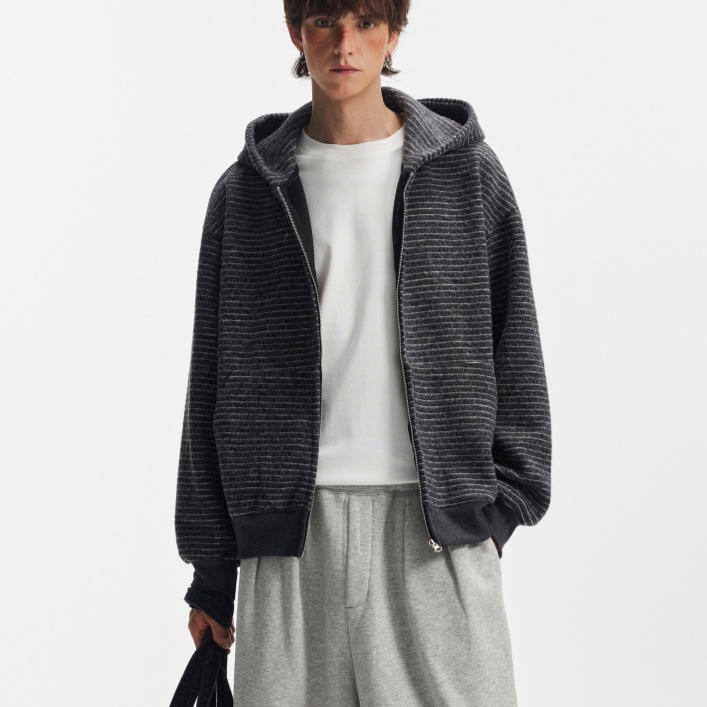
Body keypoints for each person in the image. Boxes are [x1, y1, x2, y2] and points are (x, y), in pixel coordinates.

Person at [175, 1, 552, 705]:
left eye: (366, 22)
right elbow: (212, 381)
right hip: (288, 540)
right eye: (324, 21)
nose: (344, 43)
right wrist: (212, 572)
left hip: (434, 536)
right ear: (296, 31)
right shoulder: (247, 194)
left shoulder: (467, 176)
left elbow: (515, 344)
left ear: (393, 32)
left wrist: (495, 511)